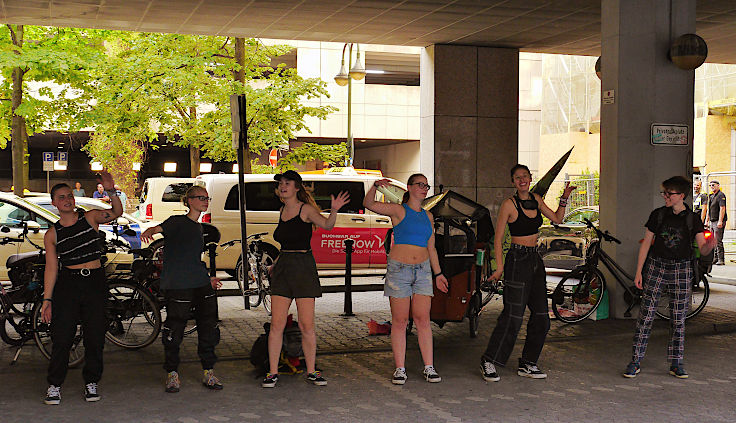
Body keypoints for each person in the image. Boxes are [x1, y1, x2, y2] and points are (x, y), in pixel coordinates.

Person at [480, 164, 574, 382]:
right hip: (517, 260)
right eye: (517, 177)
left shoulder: (537, 199)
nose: (522, 180)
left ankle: (528, 362)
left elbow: (557, 219)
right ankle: (489, 360)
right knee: (513, 316)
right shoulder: (509, 204)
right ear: (513, 181)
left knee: (542, 316)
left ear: (530, 178)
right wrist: (499, 267)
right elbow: (498, 238)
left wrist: (564, 198)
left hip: (535, 260)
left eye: (525, 176)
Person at [40, 171, 123, 405]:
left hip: (95, 281)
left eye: (70, 196)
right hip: (69, 283)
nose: (68, 200)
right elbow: (51, 268)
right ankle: (54, 385)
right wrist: (48, 300)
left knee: (95, 335)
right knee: (63, 337)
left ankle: (91, 382)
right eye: (62, 197)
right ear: (54, 202)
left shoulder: (91, 218)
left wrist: (110, 189)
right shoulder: (52, 234)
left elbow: (117, 212)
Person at [261, 170, 349, 388]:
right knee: (277, 324)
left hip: (303, 267)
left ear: (297, 187)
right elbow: (286, 244)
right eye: (280, 183)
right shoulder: (282, 210)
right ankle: (272, 372)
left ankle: (311, 371)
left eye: (287, 183)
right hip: (284, 268)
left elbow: (328, 226)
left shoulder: (305, 209)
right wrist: (276, 263)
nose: (283, 186)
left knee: (306, 325)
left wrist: (335, 209)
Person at [623, 176, 715, 379]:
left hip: (682, 269)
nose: (665, 196)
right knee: (646, 315)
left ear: (681, 196)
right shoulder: (658, 215)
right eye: (664, 193)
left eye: (669, 193)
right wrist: (639, 271)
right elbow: (646, 243)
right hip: (656, 266)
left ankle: (676, 363)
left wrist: (710, 245)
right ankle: (635, 361)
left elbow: (703, 247)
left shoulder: (692, 219)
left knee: (679, 319)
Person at [363, 173, 449, 385]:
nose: (424, 188)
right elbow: (368, 204)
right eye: (420, 185)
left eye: (426, 186)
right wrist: (375, 186)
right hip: (399, 270)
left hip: (422, 271)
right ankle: (400, 368)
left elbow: (432, 248)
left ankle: (429, 367)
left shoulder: (428, 216)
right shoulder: (399, 210)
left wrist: (438, 274)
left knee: (422, 319)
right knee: (400, 321)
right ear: (409, 188)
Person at [141, 186, 223, 393]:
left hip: (199, 282)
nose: (205, 201)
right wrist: (149, 231)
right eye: (201, 197)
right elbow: (157, 229)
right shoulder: (177, 221)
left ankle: (208, 371)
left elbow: (192, 259)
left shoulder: (199, 227)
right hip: (178, 285)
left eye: (207, 197)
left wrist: (207, 278)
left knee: (209, 326)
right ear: (189, 200)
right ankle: (172, 373)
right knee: (175, 329)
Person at [704, 180, 727, 265]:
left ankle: (721, 259)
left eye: (713, 185)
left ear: (718, 185)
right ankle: (715, 258)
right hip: (712, 221)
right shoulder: (711, 196)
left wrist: (720, 221)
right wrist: (707, 220)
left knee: (718, 240)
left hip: (718, 221)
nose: (712, 187)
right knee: (713, 241)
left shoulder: (721, 195)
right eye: (710, 185)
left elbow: (722, 208)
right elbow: (709, 209)